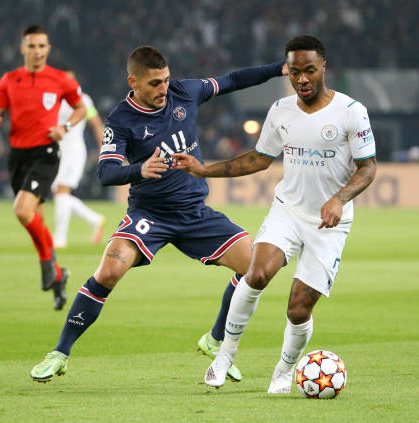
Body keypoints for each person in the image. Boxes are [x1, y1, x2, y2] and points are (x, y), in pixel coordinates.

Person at [30, 45, 287, 382]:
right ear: (133, 82)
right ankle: (60, 353)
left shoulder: (185, 92)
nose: (163, 89)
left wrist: (278, 67)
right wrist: (139, 169)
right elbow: (106, 173)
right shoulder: (121, 119)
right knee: (108, 272)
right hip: (149, 214)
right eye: (154, 83)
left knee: (255, 270)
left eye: (165, 80)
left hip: (194, 212)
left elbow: (233, 79)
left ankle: (214, 339)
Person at [172, 34, 377, 393]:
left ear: (323, 66)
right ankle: (224, 358)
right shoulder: (281, 110)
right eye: (295, 72)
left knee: (298, 308)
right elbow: (258, 159)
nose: (302, 79)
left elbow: (368, 168)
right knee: (257, 274)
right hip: (288, 211)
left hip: (329, 223)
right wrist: (204, 170)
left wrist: (339, 199)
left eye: (309, 70)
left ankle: (283, 372)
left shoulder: (351, 112)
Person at [0, 25, 87, 310]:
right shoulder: (9, 80)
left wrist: (64, 127)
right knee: (35, 217)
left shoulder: (58, 80)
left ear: (48, 48)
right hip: (17, 156)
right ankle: (58, 276)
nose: (37, 51)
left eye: (42, 46)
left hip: (45, 153)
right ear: (23, 49)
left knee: (22, 210)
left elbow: (80, 109)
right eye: (31, 46)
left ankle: (47, 265)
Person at [51, 70, 106, 249]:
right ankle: (95, 219)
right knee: (61, 195)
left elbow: (96, 123)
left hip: (73, 152)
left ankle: (59, 239)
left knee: (61, 191)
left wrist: (103, 150)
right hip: (56, 152)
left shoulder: (84, 99)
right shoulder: (53, 100)